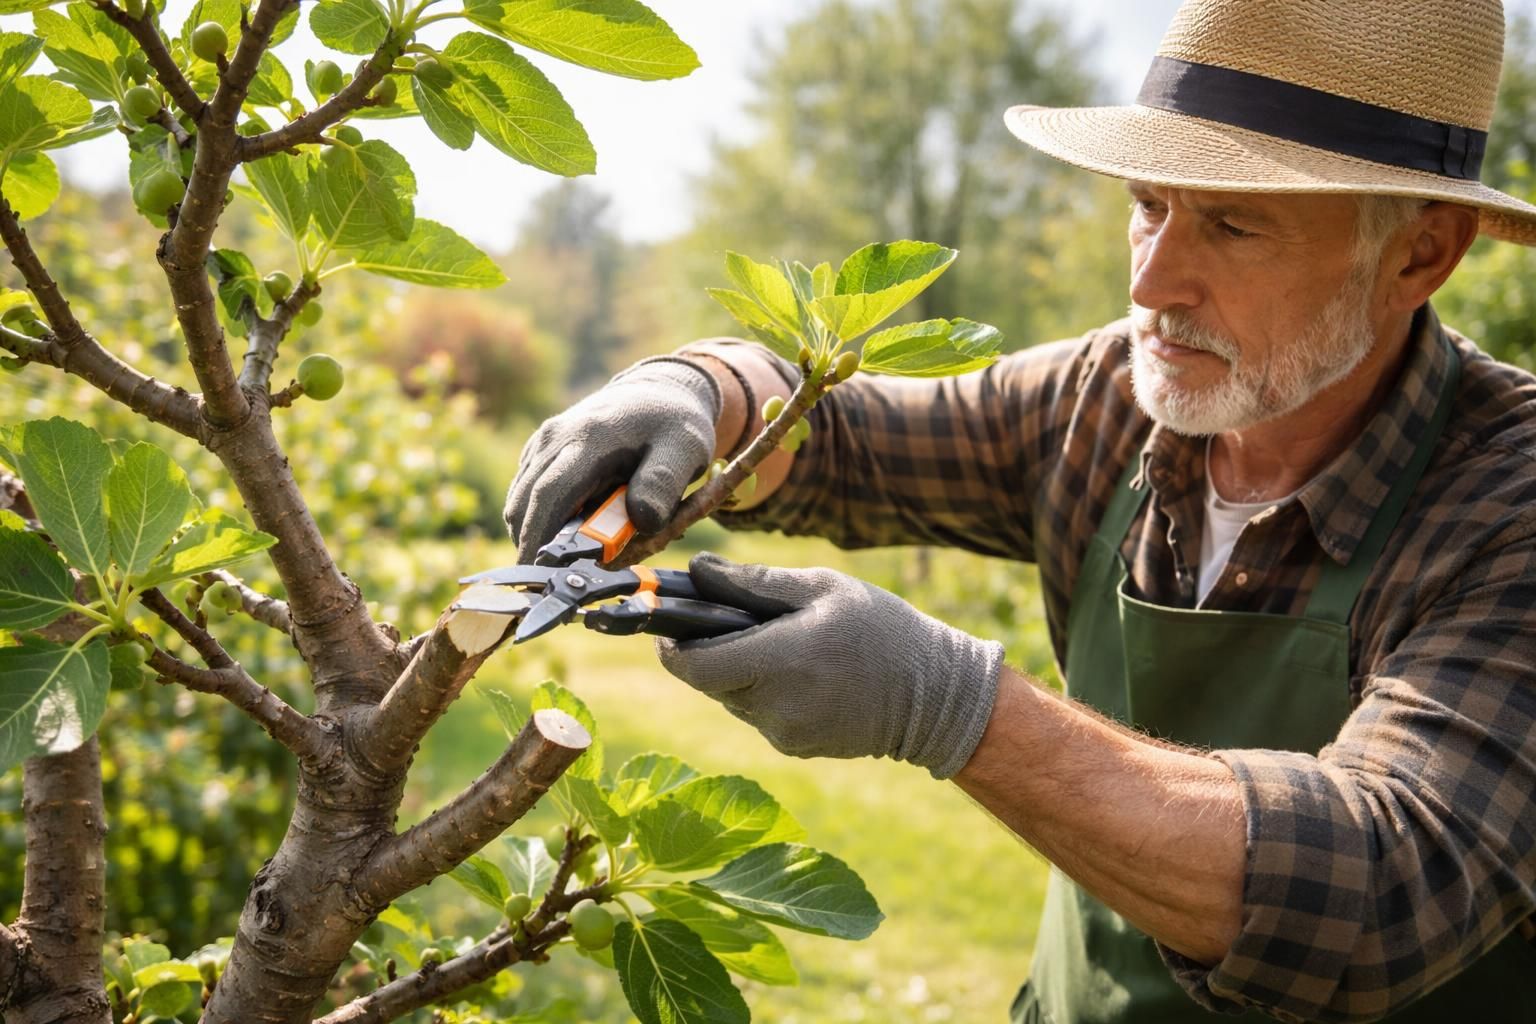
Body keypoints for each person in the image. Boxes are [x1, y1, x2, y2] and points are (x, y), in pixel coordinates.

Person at [503, 0, 1536, 1020]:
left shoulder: (1509, 499)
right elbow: (846, 441)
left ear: (1419, 255)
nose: (1153, 280)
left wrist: (952, 703)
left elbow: (1380, 890)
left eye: (1232, 224)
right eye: (1147, 205)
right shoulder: (1108, 398)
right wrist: (702, 385)